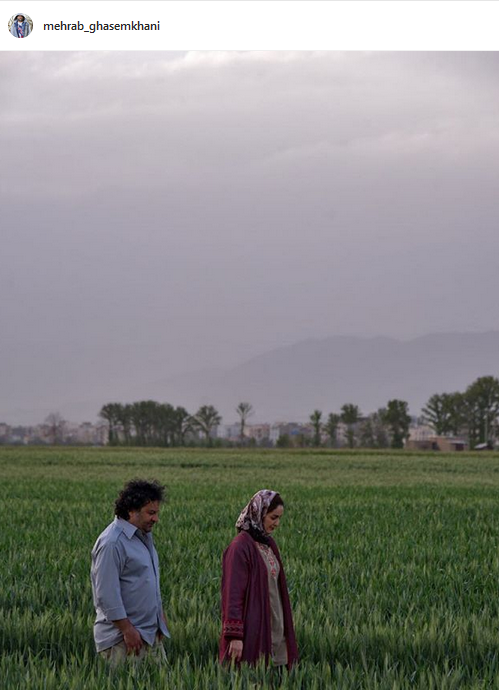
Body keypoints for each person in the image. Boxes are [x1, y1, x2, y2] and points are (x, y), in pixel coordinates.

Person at [90, 478, 170, 666]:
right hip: (122, 641)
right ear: (132, 510)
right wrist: (127, 630)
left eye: (157, 513)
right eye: (151, 513)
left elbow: (146, 581)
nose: (156, 519)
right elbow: (106, 594)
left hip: (150, 636)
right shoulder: (112, 543)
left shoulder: (142, 537)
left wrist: (159, 617)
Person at [219, 489, 298, 669]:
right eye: (273, 517)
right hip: (252, 631)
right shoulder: (240, 547)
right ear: (258, 513)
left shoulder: (268, 544)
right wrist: (235, 636)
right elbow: (233, 594)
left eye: (279, 518)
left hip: (276, 629)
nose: (277, 523)